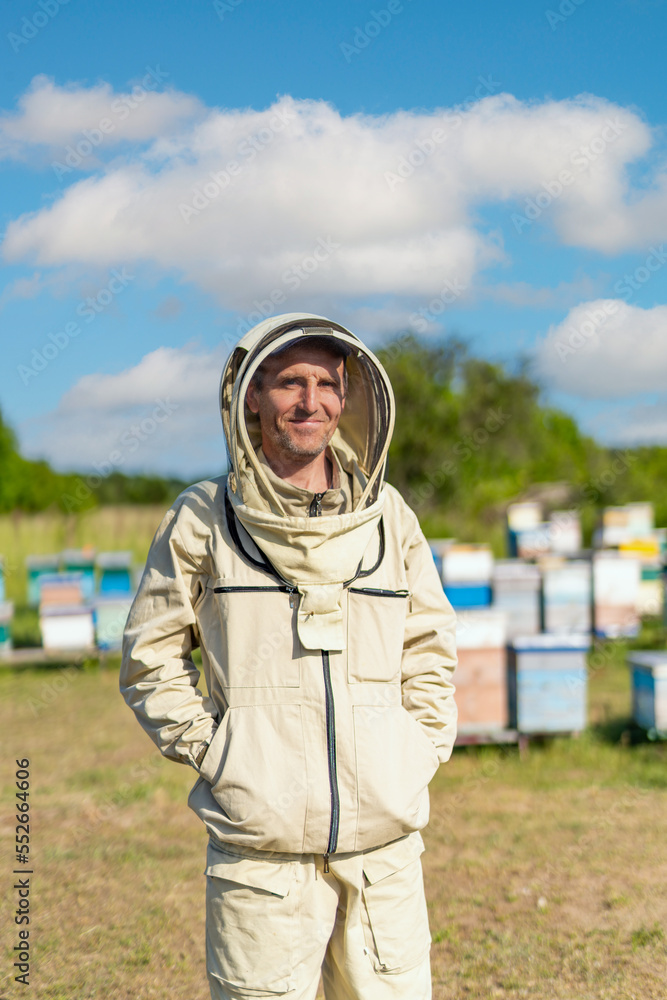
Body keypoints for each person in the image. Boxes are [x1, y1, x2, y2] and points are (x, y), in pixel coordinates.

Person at [120, 312, 458, 1000]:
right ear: (251, 395)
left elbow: (430, 646)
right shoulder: (202, 519)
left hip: (383, 856)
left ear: (348, 396)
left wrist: (416, 747)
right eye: (289, 383)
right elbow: (149, 659)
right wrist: (221, 754)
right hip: (261, 858)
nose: (310, 403)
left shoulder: (390, 517)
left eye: (326, 384)